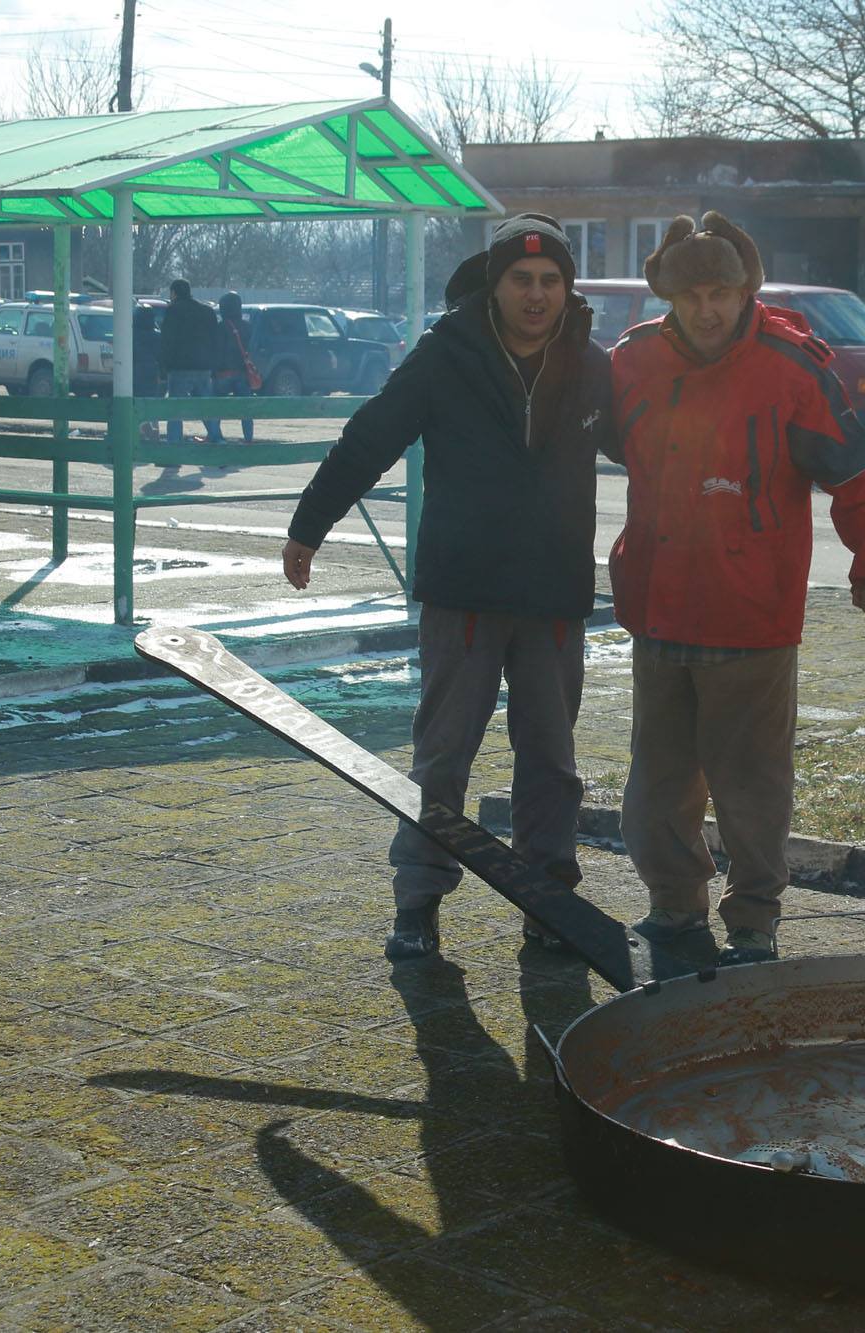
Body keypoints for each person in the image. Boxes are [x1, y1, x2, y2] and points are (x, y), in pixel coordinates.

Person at [283, 213, 617, 961]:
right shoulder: (446, 354)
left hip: (554, 597)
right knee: (442, 758)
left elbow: (656, 451)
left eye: (550, 281)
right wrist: (310, 524)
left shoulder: (591, 364)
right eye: (521, 280)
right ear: (495, 284)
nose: (536, 295)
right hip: (463, 593)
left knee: (552, 765)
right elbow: (370, 436)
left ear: (568, 289)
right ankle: (419, 902)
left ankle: (549, 903)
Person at [610, 213, 865, 966]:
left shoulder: (791, 369)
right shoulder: (633, 361)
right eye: (692, 296)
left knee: (751, 784)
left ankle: (752, 920)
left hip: (751, 617)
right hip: (658, 607)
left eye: (722, 293)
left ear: (747, 292)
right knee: (657, 785)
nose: (707, 309)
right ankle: (674, 905)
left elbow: (856, 473)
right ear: (669, 297)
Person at [160, 279, 222, 445]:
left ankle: (174, 445)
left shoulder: (173, 311)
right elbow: (215, 340)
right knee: (206, 407)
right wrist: (213, 365)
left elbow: (167, 341)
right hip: (203, 367)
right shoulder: (207, 311)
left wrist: (164, 367)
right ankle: (217, 439)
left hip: (179, 368)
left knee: (175, 409)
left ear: (174, 293)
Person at [211, 292, 258, 443]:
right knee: (245, 410)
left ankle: (216, 437)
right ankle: (248, 438)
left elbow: (217, 351)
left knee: (215, 407)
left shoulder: (220, 327)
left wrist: (213, 371)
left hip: (223, 374)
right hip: (243, 374)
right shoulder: (248, 327)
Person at [132, 303, 163, 442]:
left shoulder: (130, 335)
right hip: (152, 372)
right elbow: (162, 356)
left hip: (134, 372)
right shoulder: (157, 336)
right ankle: (153, 430)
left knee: (134, 403)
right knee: (151, 404)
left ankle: (140, 430)